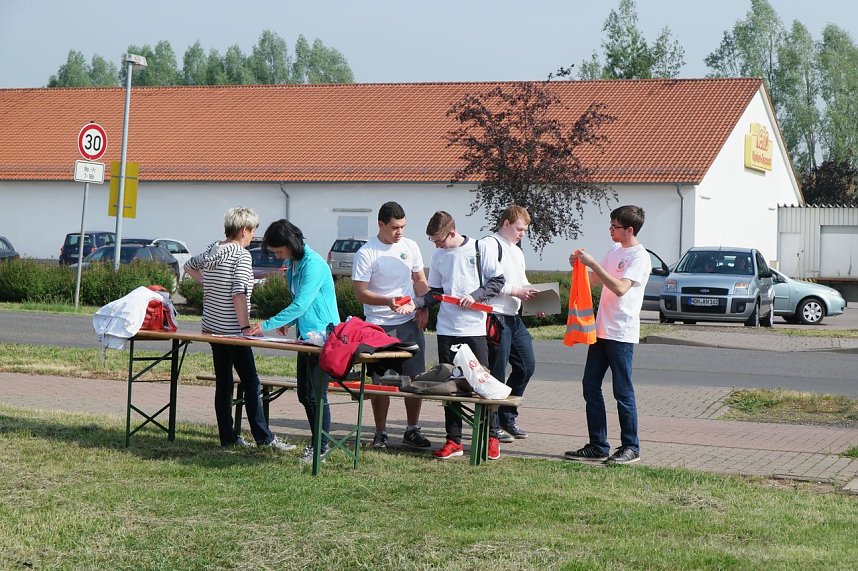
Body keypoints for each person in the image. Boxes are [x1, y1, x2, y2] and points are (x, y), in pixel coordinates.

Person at [184, 207, 294, 451]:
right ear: (244, 230)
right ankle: (263, 437)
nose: (253, 237)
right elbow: (239, 294)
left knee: (223, 383)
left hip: (212, 326)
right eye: (253, 231)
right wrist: (245, 326)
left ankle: (228, 436)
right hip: (233, 329)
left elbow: (189, 266)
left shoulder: (214, 248)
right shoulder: (242, 256)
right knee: (251, 383)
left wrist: (208, 285)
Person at [246, 219, 340, 463]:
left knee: (317, 395)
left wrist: (267, 324)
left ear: (291, 244)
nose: (278, 257)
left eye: (279, 251)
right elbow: (298, 302)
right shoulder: (294, 263)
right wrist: (288, 322)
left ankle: (320, 446)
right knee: (305, 394)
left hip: (324, 338)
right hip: (306, 337)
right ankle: (318, 442)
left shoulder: (314, 265)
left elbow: (301, 303)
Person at [413, 211, 504, 460]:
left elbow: (498, 281)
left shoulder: (479, 248)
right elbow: (436, 292)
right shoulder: (439, 255)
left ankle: (491, 436)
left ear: (452, 232)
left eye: (439, 239)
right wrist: (417, 303)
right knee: (449, 386)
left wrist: (475, 296)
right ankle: (454, 441)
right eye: (432, 240)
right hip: (446, 330)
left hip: (474, 329)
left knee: (481, 383)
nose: (436, 244)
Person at [563, 205, 650, 465]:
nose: (610, 230)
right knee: (590, 385)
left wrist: (595, 265)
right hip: (601, 329)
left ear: (629, 229)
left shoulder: (639, 257)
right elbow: (594, 281)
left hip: (621, 332)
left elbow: (621, 288)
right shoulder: (614, 249)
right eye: (611, 226)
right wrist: (578, 267)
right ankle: (598, 444)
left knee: (622, 391)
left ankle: (631, 447)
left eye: (615, 226)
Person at [352, 201, 432, 450]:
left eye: (403, 227)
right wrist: (388, 301)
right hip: (378, 325)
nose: (400, 232)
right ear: (381, 225)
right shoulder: (367, 252)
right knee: (380, 381)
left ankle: (412, 429)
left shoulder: (410, 246)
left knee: (414, 377)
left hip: (408, 321)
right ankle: (381, 433)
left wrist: (423, 306)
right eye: (395, 227)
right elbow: (360, 293)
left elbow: (419, 279)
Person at [482, 206, 539, 443]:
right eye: (519, 229)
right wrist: (515, 290)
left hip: (513, 317)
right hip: (496, 315)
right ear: (505, 223)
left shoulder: (517, 251)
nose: (522, 234)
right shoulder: (489, 245)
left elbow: (522, 282)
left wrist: (537, 299)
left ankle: (506, 415)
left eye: (525, 230)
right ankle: (490, 425)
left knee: (526, 366)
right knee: (496, 372)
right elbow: (488, 281)